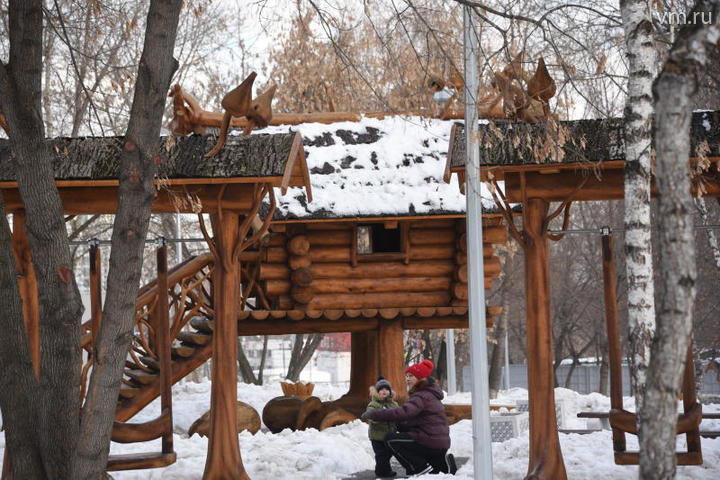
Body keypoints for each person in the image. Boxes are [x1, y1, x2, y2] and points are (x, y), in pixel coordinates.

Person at [361, 360, 457, 477]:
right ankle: (443, 465)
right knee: (435, 471)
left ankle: (419, 468)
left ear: (421, 378)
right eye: (406, 376)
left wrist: (375, 414)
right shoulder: (430, 394)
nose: (407, 379)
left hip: (429, 441)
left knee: (391, 440)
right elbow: (417, 420)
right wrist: (400, 426)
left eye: (411, 376)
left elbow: (403, 413)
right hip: (439, 443)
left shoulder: (421, 395)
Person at [364, 376, 399, 478]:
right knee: (381, 455)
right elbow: (370, 415)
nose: (384, 391)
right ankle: (381, 472)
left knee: (388, 454)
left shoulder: (393, 403)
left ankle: (384, 470)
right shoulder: (373, 404)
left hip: (389, 435)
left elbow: (398, 413)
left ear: (390, 391)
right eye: (382, 389)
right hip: (377, 436)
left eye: (387, 389)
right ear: (377, 392)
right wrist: (377, 417)